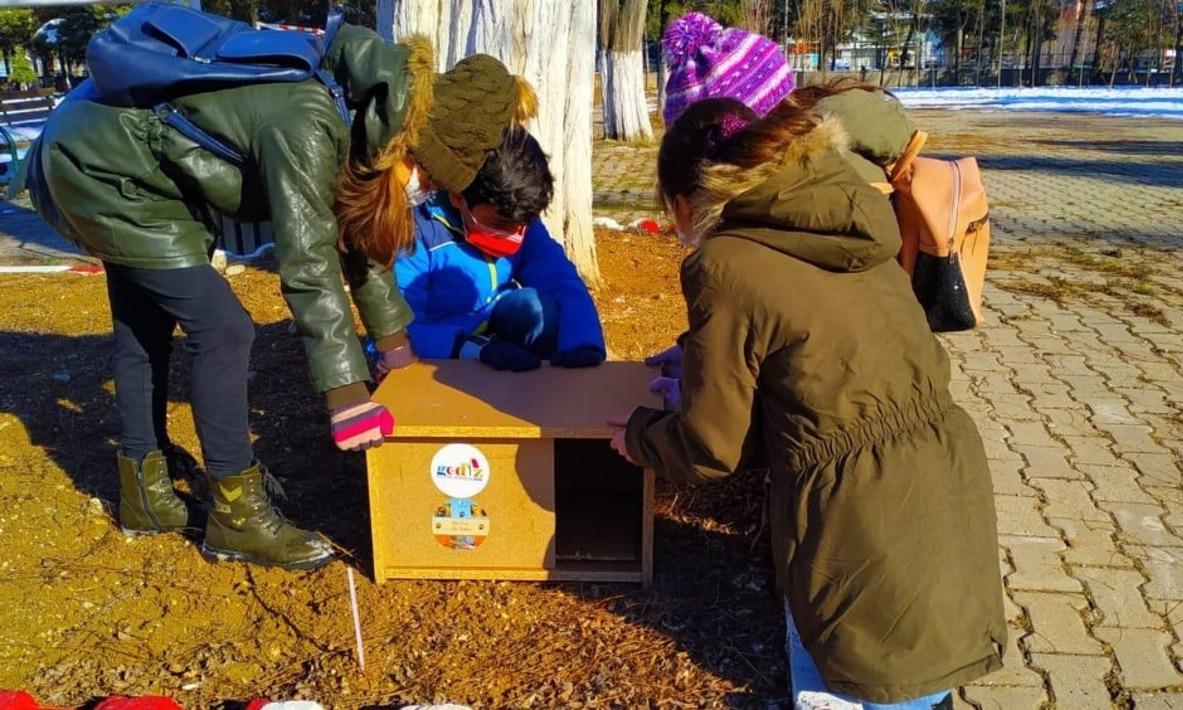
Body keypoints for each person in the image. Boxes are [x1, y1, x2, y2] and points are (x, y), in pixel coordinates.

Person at [16, 22, 537, 570]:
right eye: (428, 178)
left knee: (145, 323)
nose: (423, 192)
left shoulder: (362, 115)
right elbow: (307, 260)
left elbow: (359, 240)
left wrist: (395, 345)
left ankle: (146, 495)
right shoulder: (310, 122)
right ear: (412, 141)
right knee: (224, 329)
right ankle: (237, 515)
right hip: (103, 168)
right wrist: (346, 395)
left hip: (115, 156)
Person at [610, 13, 1005, 709]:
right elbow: (811, 347)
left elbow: (709, 448)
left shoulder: (725, 261)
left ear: (688, 195)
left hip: (850, 522)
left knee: (857, 685)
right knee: (920, 686)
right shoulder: (850, 211)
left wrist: (638, 436)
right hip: (944, 488)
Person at [390, 127, 605, 371]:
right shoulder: (416, 230)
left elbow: (560, 279)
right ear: (457, 196)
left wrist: (582, 342)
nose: (513, 236)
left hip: (497, 325)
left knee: (536, 309)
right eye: (499, 225)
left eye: (522, 225)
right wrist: (471, 347)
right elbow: (399, 329)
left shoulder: (516, 214)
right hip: (441, 347)